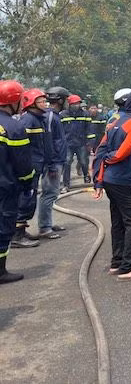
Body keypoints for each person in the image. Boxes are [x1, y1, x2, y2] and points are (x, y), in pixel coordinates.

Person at [92, 91, 131, 281]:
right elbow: (126, 151)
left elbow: (101, 149)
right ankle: (128, 268)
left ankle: (117, 263)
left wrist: (99, 178)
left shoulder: (114, 121)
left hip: (110, 179)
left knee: (118, 221)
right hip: (124, 179)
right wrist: (113, 159)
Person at [13, 89, 61, 247]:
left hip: (38, 164)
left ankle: (21, 230)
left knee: (30, 198)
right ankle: (17, 235)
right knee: (25, 198)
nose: (45, 104)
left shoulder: (38, 119)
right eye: (41, 101)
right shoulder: (28, 121)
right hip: (30, 167)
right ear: (31, 104)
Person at [0, 80, 35, 283]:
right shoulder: (13, 127)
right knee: (4, 228)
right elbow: (22, 164)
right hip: (5, 187)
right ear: (13, 100)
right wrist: (27, 183)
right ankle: (1, 271)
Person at [62, 94, 92, 188]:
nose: (76, 105)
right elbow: (60, 130)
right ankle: (66, 184)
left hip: (81, 142)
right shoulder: (63, 115)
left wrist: (89, 143)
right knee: (67, 162)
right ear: (69, 104)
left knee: (83, 161)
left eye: (77, 103)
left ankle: (86, 178)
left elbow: (89, 129)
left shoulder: (85, 114)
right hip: (68, 143)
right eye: (74, 104)